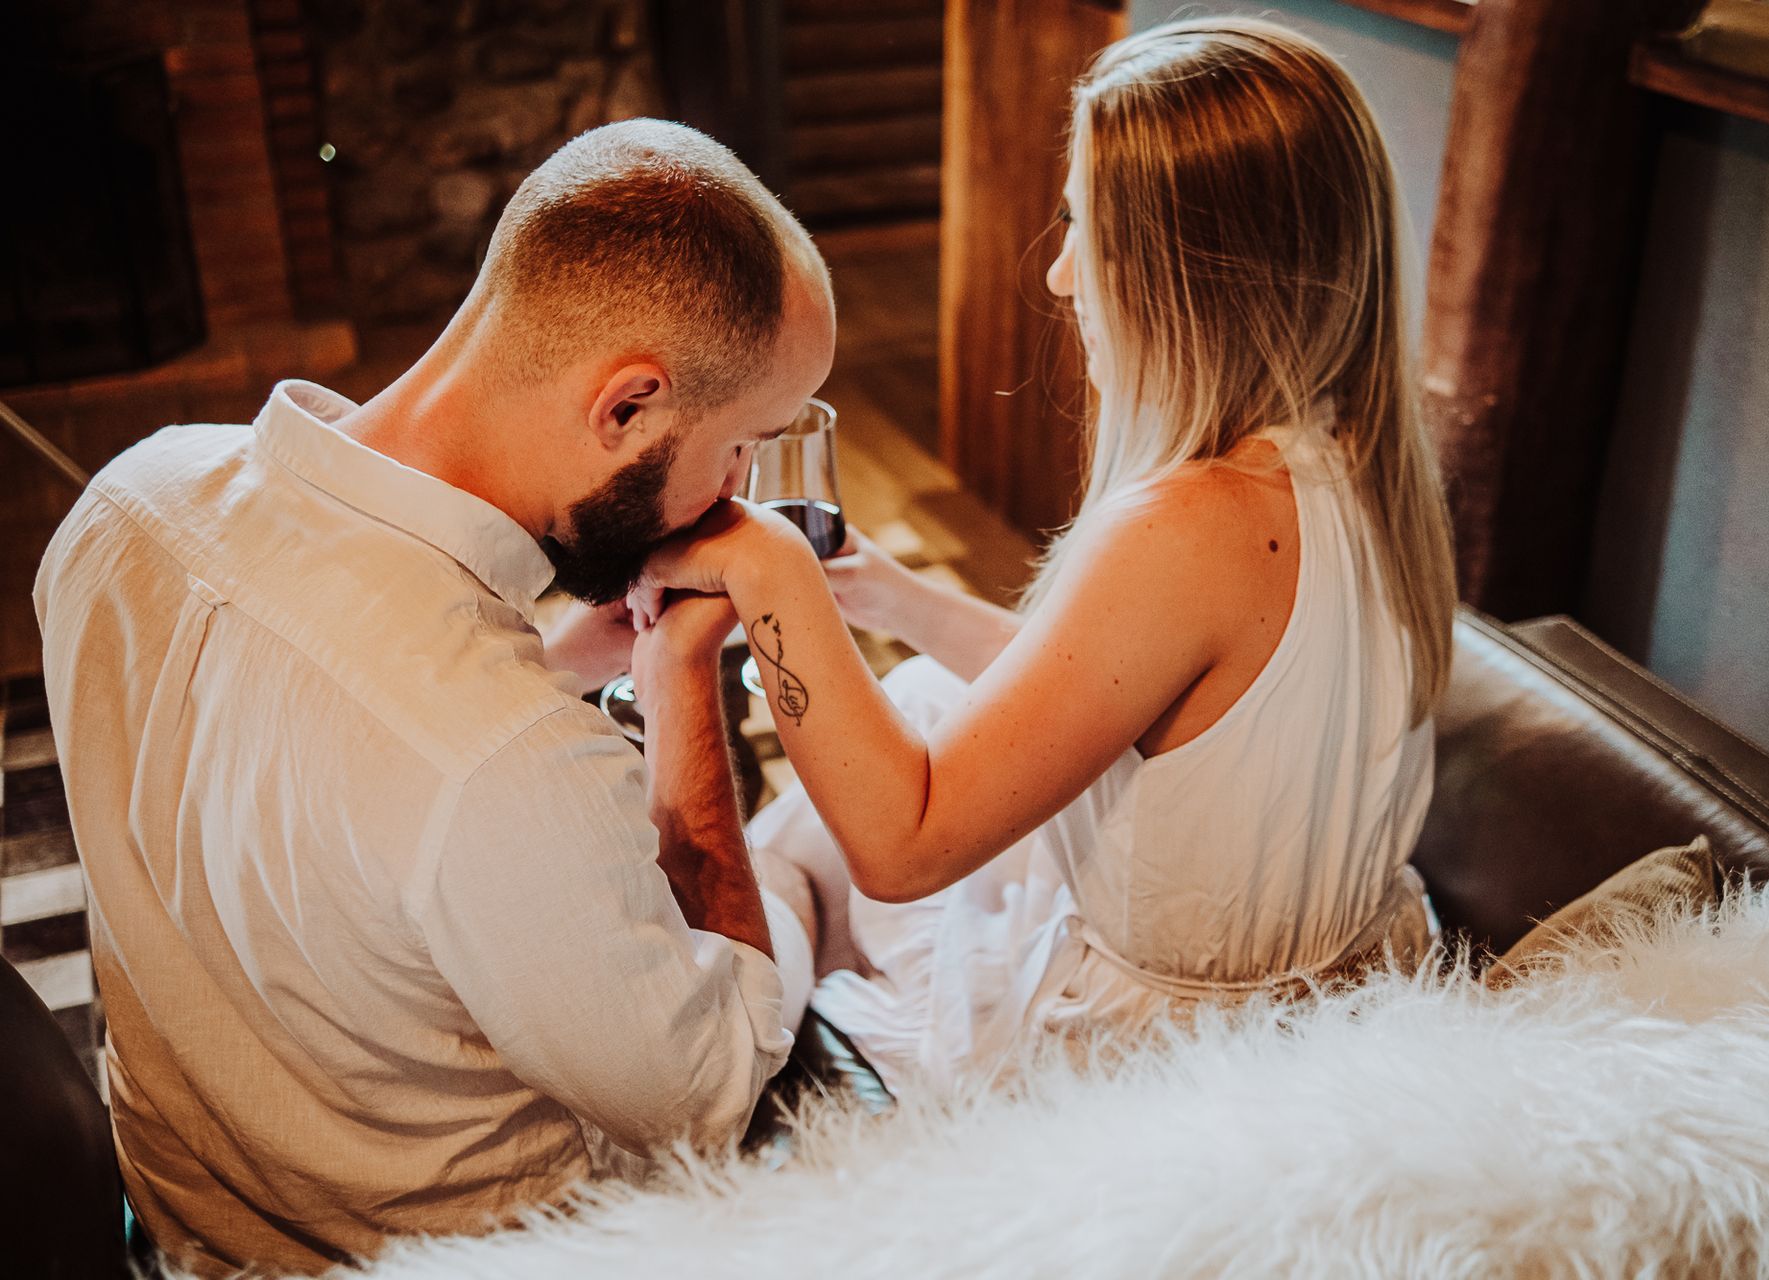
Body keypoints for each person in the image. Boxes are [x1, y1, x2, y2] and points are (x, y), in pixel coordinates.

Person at [32, 120, 832, 1275]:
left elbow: (318, 752)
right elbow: (707, 1086)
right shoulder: (504, 754)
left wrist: (551, 662)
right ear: (627, 409)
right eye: (742, 445)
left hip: (176, 1221)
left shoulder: (124, 506)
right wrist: (679, 679)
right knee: (823, 892)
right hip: (475, 1256)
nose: (735, 493)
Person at [630, 19, 1458, 1093]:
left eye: (1089, 231)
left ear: (1198, 275)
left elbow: (904, 848)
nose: (1063, 278)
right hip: (1337, 990)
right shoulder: (1361, 460)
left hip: (1168, 1063)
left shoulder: (1183, 525)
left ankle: (698, 1060)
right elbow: (1134, 693)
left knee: (795, 858)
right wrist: (896, 598)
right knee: (924, 691)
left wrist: (768, 564)